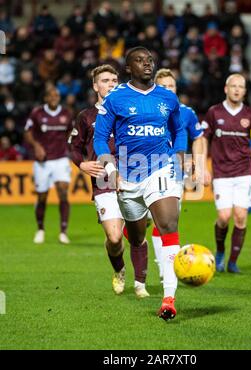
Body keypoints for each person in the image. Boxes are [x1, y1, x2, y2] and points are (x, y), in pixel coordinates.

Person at [93, 47, 186, 321]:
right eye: (140, 61)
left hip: (161, 168)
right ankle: (132, 242)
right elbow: (100, 138)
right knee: (136, 237)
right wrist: (110, 168)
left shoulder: (168, 97)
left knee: (168, 225)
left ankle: (169, 298)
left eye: (150, 60)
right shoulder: (115, 99)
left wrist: (179, 154)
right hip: (127, 176)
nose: (147, 64)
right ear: (128, 68)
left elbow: (179, 129)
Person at [69, 64, 149, 298]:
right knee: (114, 239)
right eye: (105, 80)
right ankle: (119, 270)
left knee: (138, 236)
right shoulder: (86, 117)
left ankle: (141, 284)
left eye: (114, 80)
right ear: (95, 86)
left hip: (134, 179)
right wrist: (82, 164)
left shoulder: (130, 111)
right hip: (104, 182)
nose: (111, 84)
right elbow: (73, 147)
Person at [201, 73, 251, 273]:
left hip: (244, 172)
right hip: (221, 172)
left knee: (240, 216)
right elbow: (203, 139)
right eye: (234, 86)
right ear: (226, 88)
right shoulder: (214, 113)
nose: (237, 89)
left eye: (241, 86)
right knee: (223, 217)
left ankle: (232, 261)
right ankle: (221, 251)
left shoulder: (250, 116)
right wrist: (203, 166)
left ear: (245, 92)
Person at [151, 68, 203, 280]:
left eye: (171, 86)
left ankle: (164, 268)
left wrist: (198, 165)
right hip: (148, 168)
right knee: (148, 220)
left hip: (175, 172)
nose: (168, 89)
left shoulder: (187, 112)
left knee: (166, 221)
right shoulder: (148, 111)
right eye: (163, 86)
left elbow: (198, 137)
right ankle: (165, 268)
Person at [24, 87, 73, 244]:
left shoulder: (66, 114)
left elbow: (72, 133)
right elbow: (27, 132)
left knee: (63, 192)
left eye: (57, 95)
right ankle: (40, 229)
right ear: (45, 98)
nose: (54, 98)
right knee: (42, 196)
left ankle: (63, 232)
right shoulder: (37, 113)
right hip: (42, 162)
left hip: (61, 159)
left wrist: (72, 149)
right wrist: (36, 146)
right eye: (51, 95)